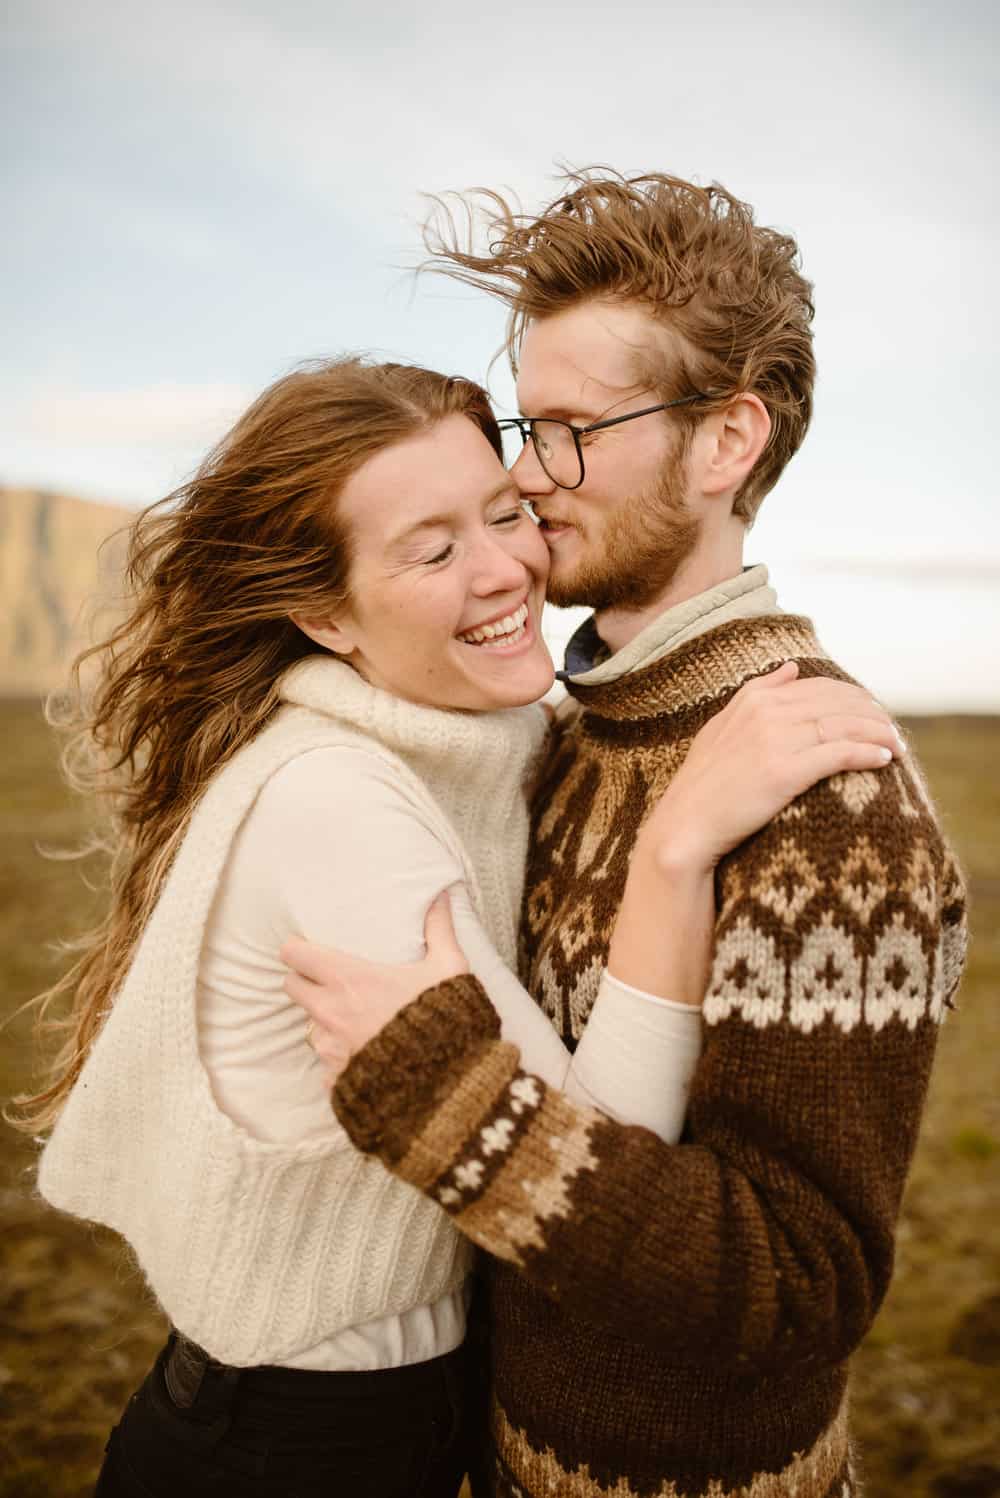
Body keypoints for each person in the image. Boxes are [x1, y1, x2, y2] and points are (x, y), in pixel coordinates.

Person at [17, 358, 896, 1498]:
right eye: (431, 551)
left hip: (379, 1418)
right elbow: (584, 1162)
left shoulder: (463, 749)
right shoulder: (339, 799)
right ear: (326, 613)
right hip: (298, 1449)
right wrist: (676, 851)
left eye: (505, 512)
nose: (504, 570)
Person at [281, 172, 969, 1498]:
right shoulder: (567, 731)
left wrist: (446, 1100)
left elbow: (793, 1290)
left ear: (727, 444)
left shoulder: (833, 801)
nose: (530, 477)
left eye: (574, 431)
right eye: (525, 424)